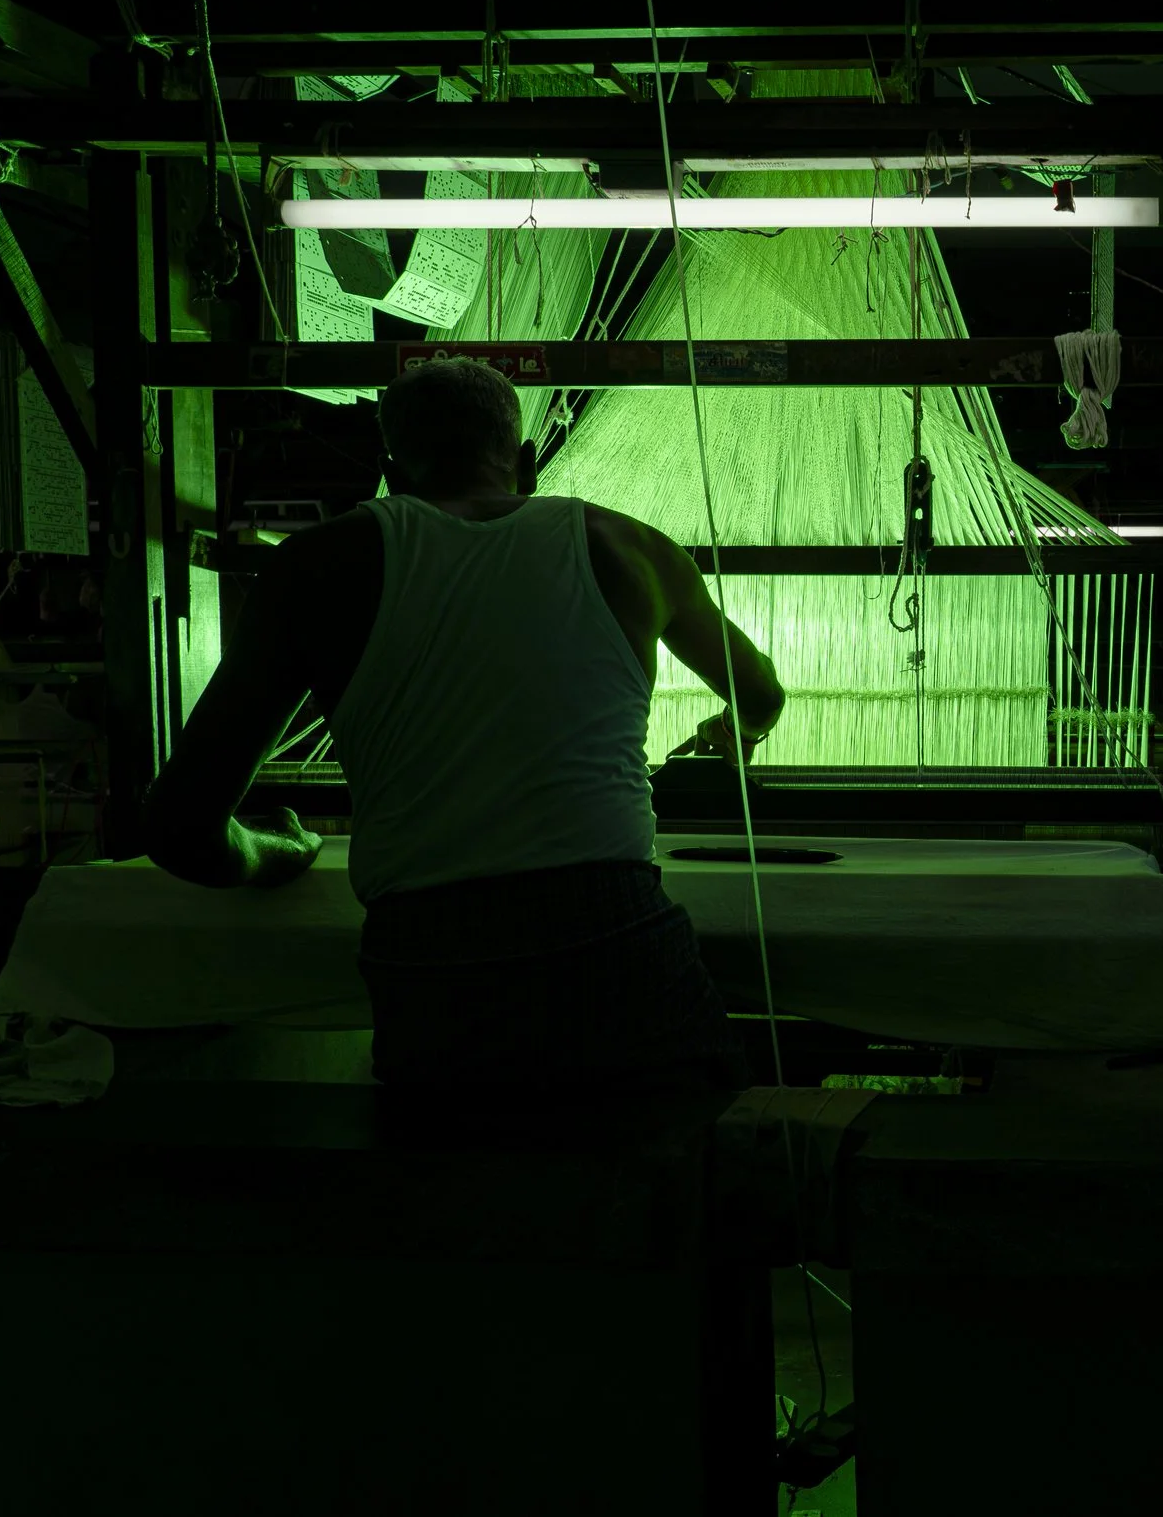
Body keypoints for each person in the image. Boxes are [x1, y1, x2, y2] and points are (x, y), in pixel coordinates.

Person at [142, 358, 785, 1092]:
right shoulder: (631, 550)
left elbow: (179, 828)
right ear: (528, 462)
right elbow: (761, 693)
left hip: (432, 974)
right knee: (689, 1166)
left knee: (464, 1191)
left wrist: (275, 852)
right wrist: (738, 733)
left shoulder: (318, 566)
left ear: (390, 470)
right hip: (618, 944)